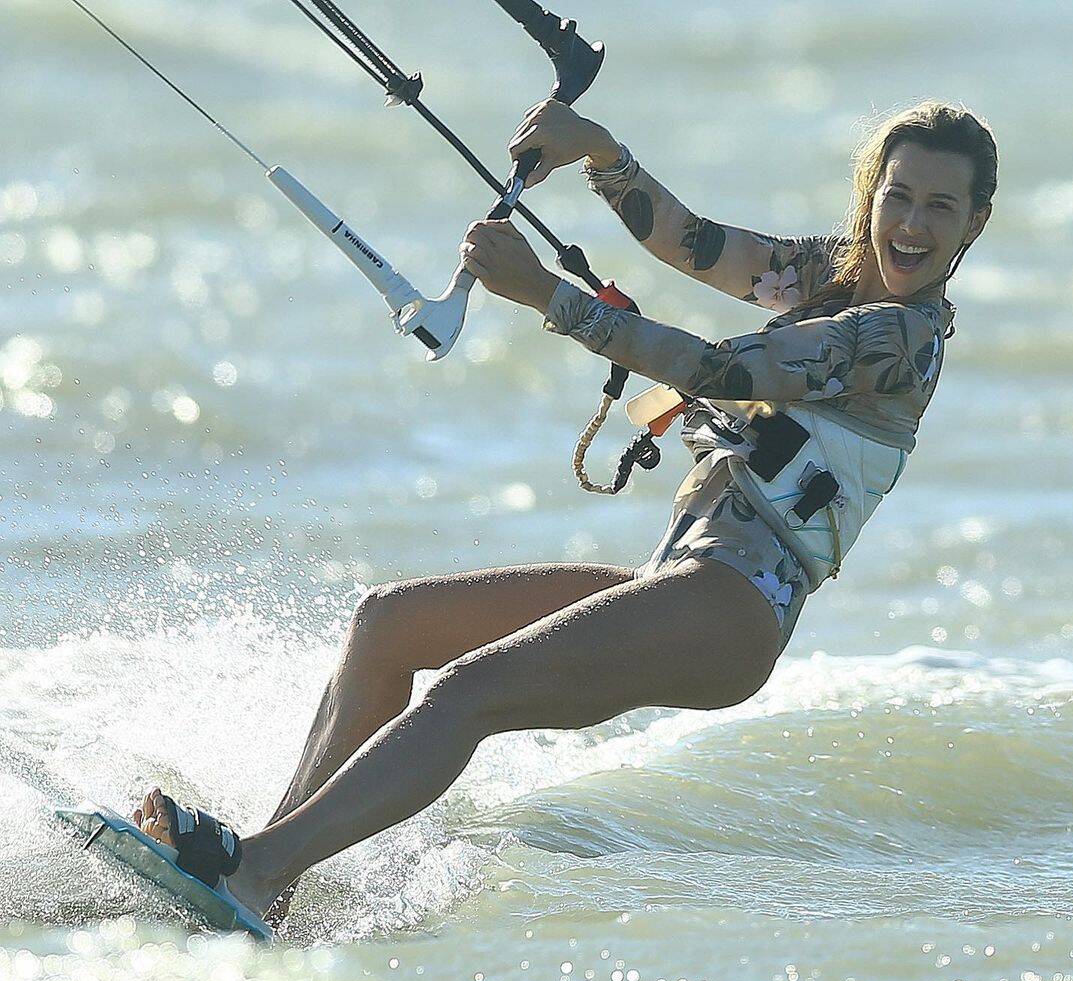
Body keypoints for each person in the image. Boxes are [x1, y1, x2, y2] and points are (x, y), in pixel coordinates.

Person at [133, 100, 996, 924]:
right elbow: (695, 244)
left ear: (974, 224)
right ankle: (264, 876)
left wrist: (549, 297)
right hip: (684, 578)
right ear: (871, 195)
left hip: (736, 608)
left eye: (939, 207)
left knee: (470, 692)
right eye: (898, 196)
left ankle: (257, 868)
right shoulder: (831, 276)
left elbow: (717, 369)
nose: (911, 225)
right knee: (388, 623)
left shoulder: (901, 340)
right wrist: (601, 154)